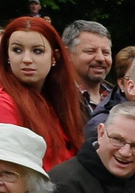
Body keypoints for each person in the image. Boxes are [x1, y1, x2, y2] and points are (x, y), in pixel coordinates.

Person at [0, 17, 83, 169]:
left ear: (55, 56)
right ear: (7, 56)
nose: (26, 59)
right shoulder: (4, 104)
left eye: (37, 51)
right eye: (17, 50)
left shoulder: (60, 99)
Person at [63, 20, 121, 119]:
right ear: (67, 54)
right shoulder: (56, 99)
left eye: (105, 52)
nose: (101, 58)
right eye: (90, 51)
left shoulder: (121, 98)